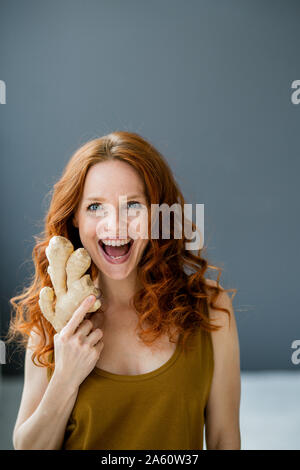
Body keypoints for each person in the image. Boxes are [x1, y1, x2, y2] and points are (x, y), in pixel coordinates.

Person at [7, 131, 241, 450]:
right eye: (95, 207)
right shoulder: (53, 313)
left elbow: (223, 440)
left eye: (132, 205)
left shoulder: (211, 308)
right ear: (74, 216)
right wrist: (64, 378)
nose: (115, 225)